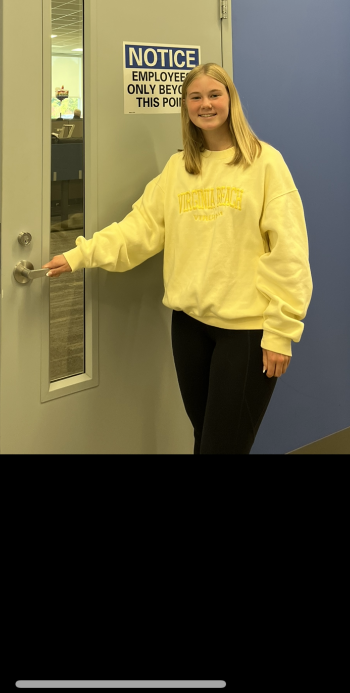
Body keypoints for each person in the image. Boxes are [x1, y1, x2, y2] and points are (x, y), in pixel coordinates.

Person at [46, 63, 312, 455]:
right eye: (196, 97)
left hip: (246, 332)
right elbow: (137, 229)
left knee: (222, 447)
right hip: (189, 327)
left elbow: (289, 253)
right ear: (186, 105)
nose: (206, 104)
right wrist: (79, 255)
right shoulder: (179, 168)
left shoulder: (265, 163)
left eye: (214, 95)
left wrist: (281, 331)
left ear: (231, 100)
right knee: (204, 438)